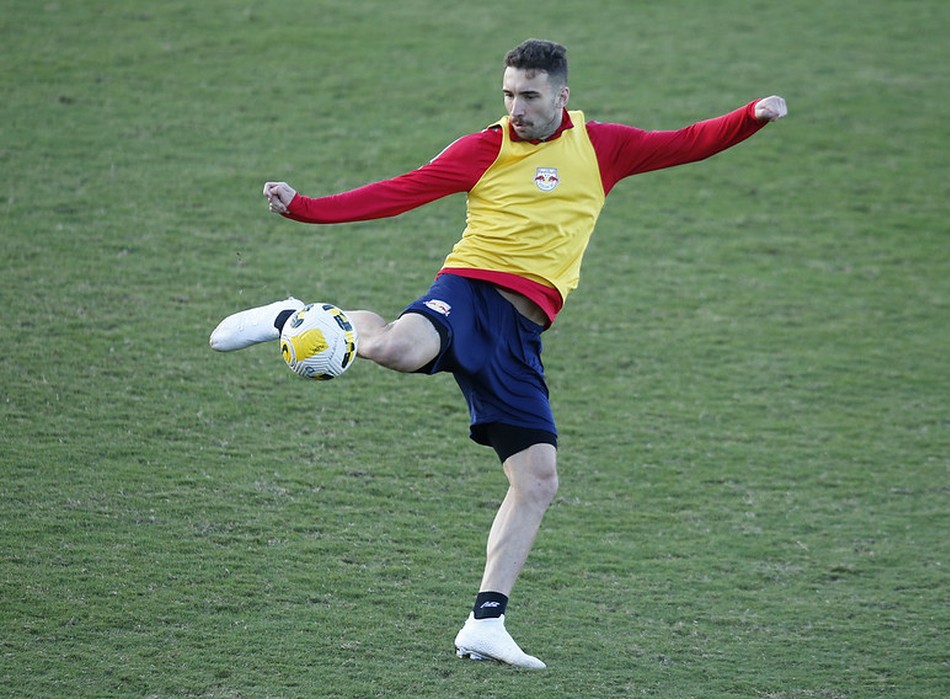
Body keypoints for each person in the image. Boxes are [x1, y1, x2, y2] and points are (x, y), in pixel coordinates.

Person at [210, 38, 787, 669]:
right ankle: (293, 318)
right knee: (397, 350)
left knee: (537, 481)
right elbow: (401, 190)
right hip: (472, 290)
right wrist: (305, 209)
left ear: (562, 97)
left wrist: (751, 116)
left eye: (530, 96)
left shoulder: (603, 147)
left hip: (521, 337)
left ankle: (485, 624)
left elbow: (686, 141)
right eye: (508, 93)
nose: (516, 107)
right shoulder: (485, 147)